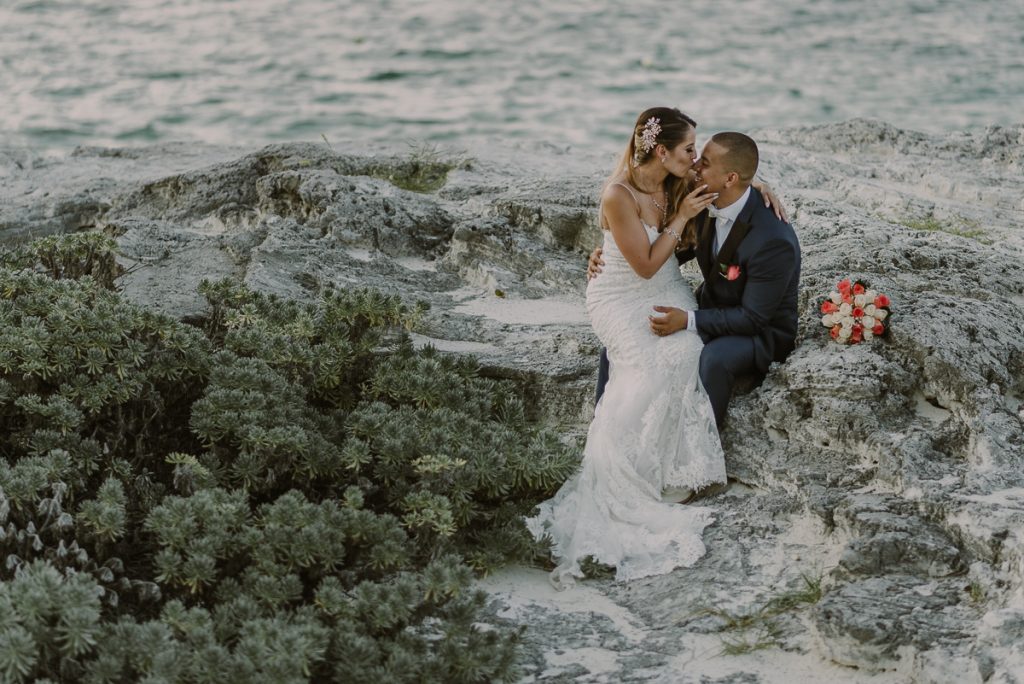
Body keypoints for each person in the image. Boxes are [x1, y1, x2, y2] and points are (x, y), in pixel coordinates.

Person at [526, 107, 728, 590]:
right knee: (650, 365)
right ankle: (624, 475)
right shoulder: (618, 194)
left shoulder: (676, 179)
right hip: (621, 292)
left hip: (666, 288)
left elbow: (732, 183)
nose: (694, 157)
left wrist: (763, 189)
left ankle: (672, 470)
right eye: (686, 149)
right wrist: (680, 218)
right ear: (661, 151)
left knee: (685, 352)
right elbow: (642, 265)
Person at [589, 132, 801, 430]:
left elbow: (753, 318)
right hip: (713, 308)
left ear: (729, 179)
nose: (695, 165)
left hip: (761, 333)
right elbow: (668, 251)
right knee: (628, 342)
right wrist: (614, 258)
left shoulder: (772, 241)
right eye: (697, 156)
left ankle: (700, 440)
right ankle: (603, 428)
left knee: (713, 359)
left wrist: (688, 320)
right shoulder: (705, 200)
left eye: (705, 162)